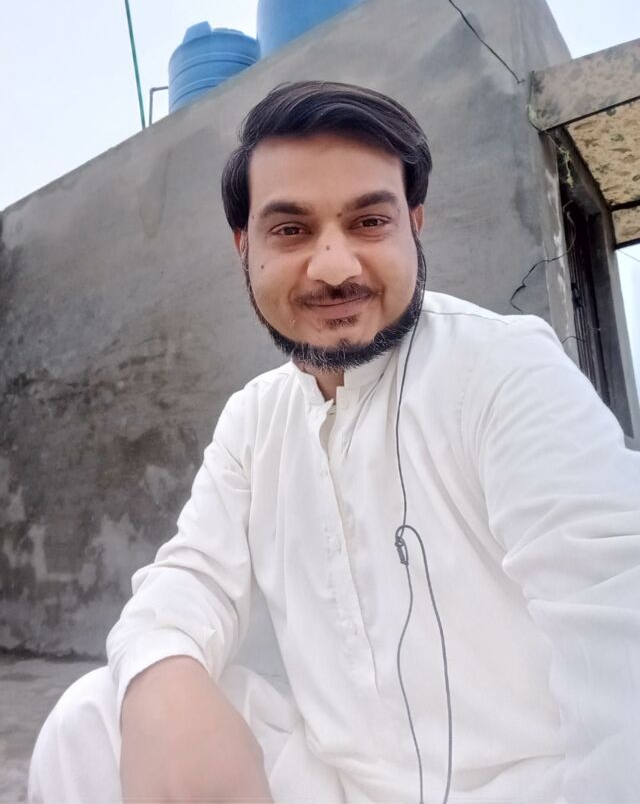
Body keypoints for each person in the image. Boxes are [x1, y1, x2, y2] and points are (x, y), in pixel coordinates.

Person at [29, 81, 640, 804]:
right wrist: (163, 676)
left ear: (414, 225)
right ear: (244, 247)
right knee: (98, 717)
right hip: (339, 787)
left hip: (533, 786)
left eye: (369, 222)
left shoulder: (503, 369)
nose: (334, 266)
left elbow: (617, 609)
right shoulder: (254, 419)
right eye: (290, 230)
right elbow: (190, 577)